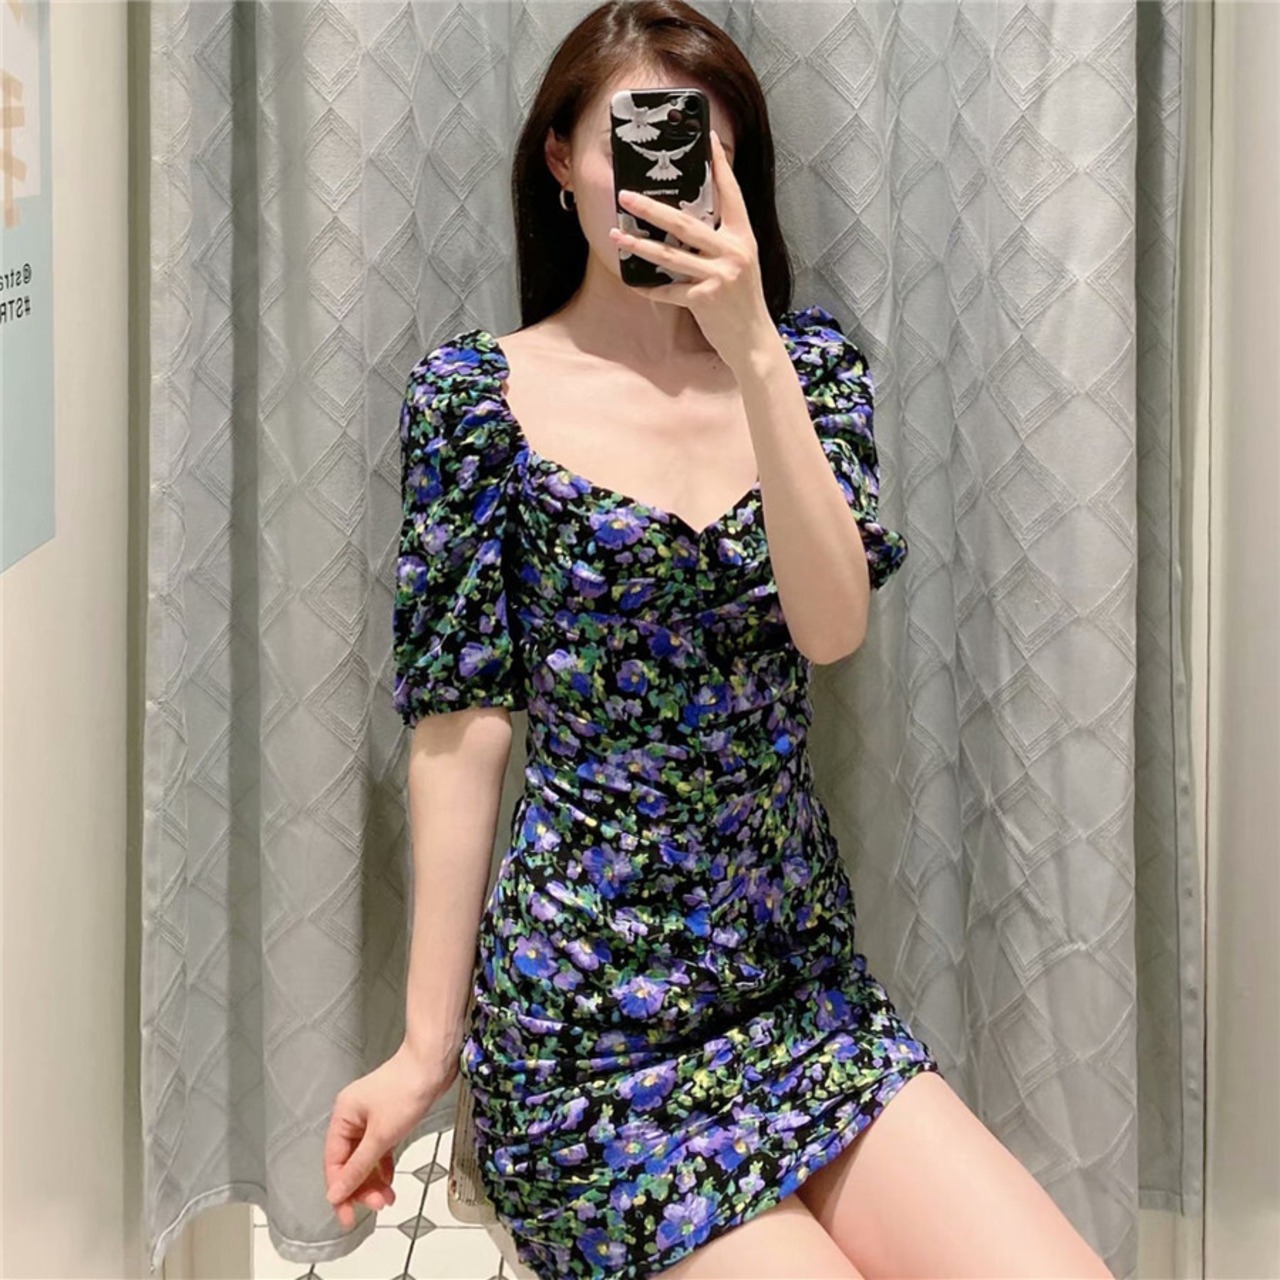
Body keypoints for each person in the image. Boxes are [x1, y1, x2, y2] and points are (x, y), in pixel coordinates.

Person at [324, 3, 1117, 1278]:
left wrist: (750, 347)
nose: (660, 183)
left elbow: (831, 626)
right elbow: (460, 734)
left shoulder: (809, 371)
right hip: (588, 1035)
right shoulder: (474, 398)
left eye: (700, 152)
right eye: (629, 143)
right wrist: (427, 1048)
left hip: (796, 992)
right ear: (560, 160)